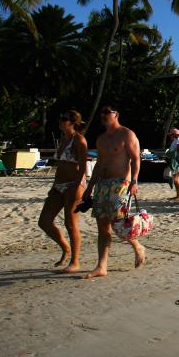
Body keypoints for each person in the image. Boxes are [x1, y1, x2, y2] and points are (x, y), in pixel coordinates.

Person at [82, 105, 145, 278]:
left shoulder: (127, 134)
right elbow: (99, 165)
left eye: (106, 112)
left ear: (116, 114)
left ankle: (137, 246)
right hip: (103, 184)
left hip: (121, 184)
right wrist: (89, 187)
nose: (102, 115)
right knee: (102, 225)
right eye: (101, 112)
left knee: (118, 223)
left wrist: (134, 181)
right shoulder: (101, 139)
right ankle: (101, 266)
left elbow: (136, 159)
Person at [38, 110, 88, 273]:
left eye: (63, 119)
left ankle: (75, 261)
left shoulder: (79, 140)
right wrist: (54, 185)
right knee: (44, 221)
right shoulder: (63, 139)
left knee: (70, 223)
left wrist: (76, 186)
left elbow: (83, 166)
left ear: (72, 122)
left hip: (74, 185)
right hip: (58, 185)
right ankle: (65, 247)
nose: (60, 122)